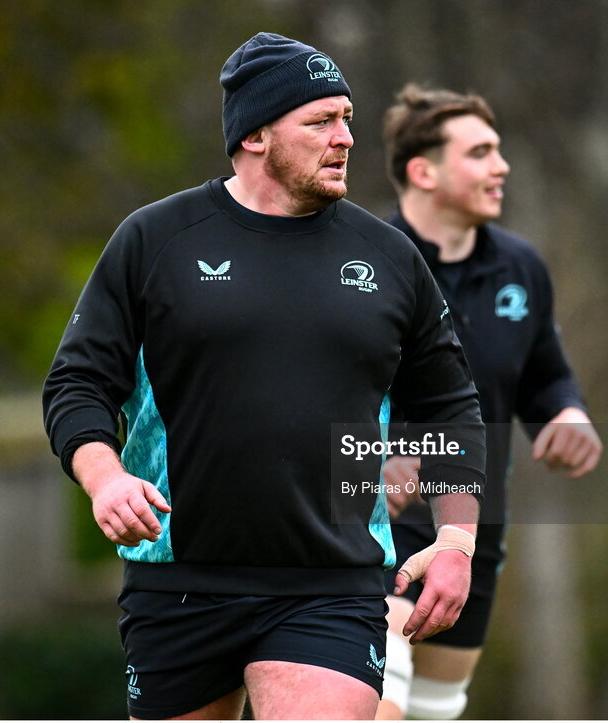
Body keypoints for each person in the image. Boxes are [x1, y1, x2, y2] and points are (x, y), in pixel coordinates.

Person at [42, 36, 486, 721]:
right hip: (177, 581)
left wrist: (456, 541)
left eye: (347, 118)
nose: (345, 138)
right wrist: (104, 478)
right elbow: (77, 383)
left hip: (332, 583)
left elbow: (449, 404)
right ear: (254, 135)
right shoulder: (155, 241)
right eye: (320, 122)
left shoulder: (387, 258)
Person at [375, 85, 603, 720]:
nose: (501, 167)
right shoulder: (362, 263)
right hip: (371, 528)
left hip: (474, 530)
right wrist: (367, 458)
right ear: (424, 171)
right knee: (375, 702)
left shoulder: (521, 267)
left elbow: (546, 376)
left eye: (499, 151)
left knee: (434, 709)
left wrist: (568, 414)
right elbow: (308, 393)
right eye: (480, 153)